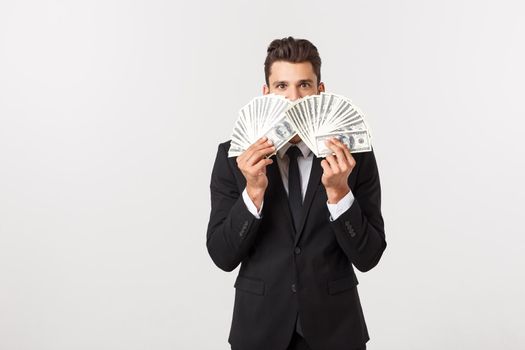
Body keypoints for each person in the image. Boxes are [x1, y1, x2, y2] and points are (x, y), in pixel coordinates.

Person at [206, 37, 386, 350]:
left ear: (321, 92)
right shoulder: (233, 158)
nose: (294, 99)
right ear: (265, 94)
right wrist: (253, 192)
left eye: (304, 85)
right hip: (259, 329)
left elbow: (369, 256)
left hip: (336, 330)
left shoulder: (354, 158)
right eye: (281, 87)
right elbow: (222, 255)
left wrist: (340, 193)